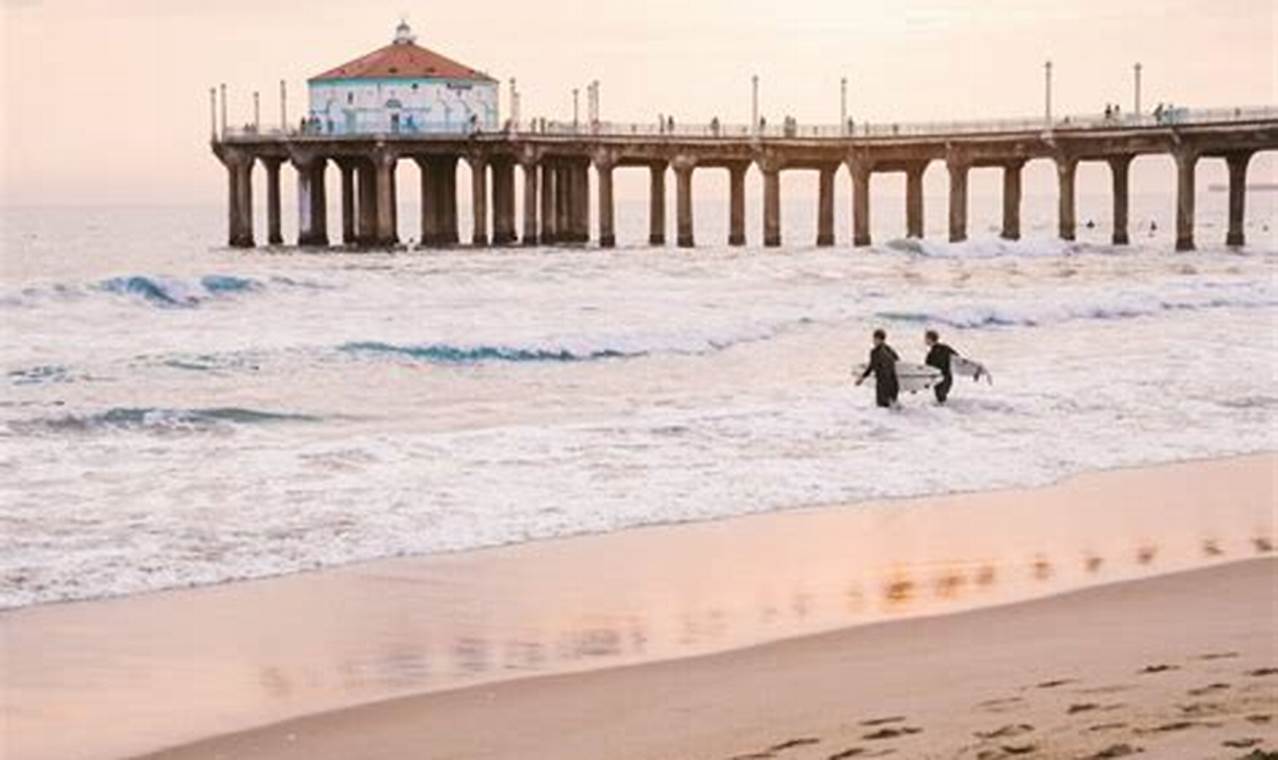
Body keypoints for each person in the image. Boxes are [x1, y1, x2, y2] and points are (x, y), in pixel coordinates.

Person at [855, 329, 900, 408]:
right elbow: (898, 361)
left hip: (883, 384)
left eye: (875, 339)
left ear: (880, 340)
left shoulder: (874, 352)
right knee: (892, 408)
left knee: (882, 408)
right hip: (893, 383)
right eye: (874, 339)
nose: (874, 341)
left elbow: (871, 367)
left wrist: (862, 378)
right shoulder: (889, 349)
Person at [924, 329, 959, 404]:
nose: (925, 340)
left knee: (940, 398)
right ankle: (946, 413)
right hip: (944, 379)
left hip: (942, 378)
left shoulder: (931, 354)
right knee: (941, 399)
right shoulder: (945, 348)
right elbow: (957, 358)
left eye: (926, 338)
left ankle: (945, 414)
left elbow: (927, 369)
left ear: (930, 339)